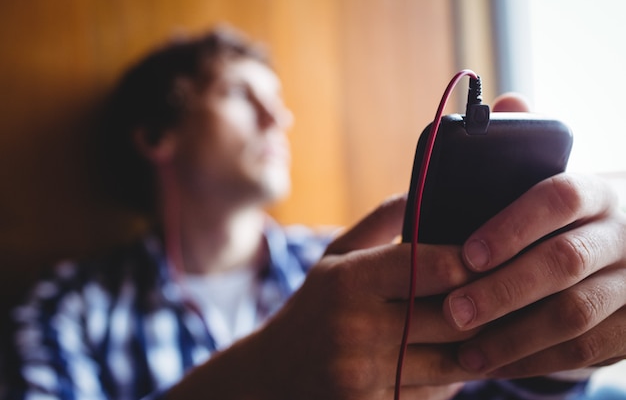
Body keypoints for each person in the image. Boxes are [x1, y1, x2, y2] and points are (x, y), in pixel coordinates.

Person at [2, 26, 625, 400]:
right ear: (157, 134)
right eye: (241, 96)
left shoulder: (359, 272)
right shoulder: (70, 307)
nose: (280, 119)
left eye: (278, 100)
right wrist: (256, 382)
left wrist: (562, 339)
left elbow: (491, 389)